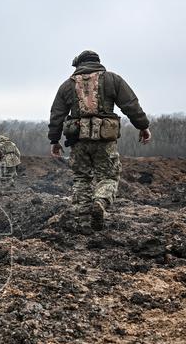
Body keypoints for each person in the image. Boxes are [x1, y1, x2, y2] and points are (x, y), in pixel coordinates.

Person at [48, 50, 152, 230]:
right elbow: (130, 105)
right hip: (104, 141)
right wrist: (142, 126)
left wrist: (54, 140)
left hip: (78, 141)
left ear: (78, 65)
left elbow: (57, 115)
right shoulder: (112, 79)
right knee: (109, 176)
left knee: (81, 178)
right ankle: (101, 202)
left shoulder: (67, 85)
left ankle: (83, 219)